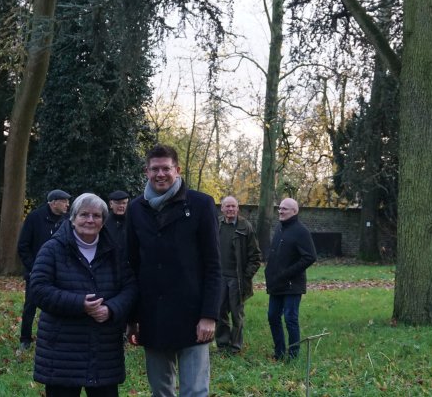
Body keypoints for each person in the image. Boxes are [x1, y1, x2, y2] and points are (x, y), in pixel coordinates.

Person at [125, 144, 221, 397]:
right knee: (160, 390)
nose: (160, 174)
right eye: (154, 169)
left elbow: (213, 265)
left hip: (193, 315)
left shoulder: (201, 204)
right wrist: (132, 318)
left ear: (177, 170)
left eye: (166, 168)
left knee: (195, 391)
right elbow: (132, 265)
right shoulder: (136, 209)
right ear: (146, 171)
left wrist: (209, 315)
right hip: (152, 316)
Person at [30, 193, 138, 397]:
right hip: (62, 351)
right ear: (73, 218)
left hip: (104, 351)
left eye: (96, 216)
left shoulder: (114, 251)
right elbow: (38, 289)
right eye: (84, 214)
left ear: (103, 221)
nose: (90, 220)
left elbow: (130, 288)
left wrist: (111, 309)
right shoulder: (52, 249)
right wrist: (79, 303)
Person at [17, 189, 70, 350]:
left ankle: (58, 338)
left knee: (60, 305)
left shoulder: (68, 220)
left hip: (60, 273)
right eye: (64, 201)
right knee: (30, 306)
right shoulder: (34, 217)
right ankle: (25, 339)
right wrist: (35, 268)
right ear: (53, 202)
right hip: (36, 273)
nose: (68, 204)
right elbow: (23, 246)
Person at [264, 198, 316, 361]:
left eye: (285, 209)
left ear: (295, 211)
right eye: (279, 208)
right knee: (273, 317)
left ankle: (293, 356)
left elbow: (310, 257)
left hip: (293, 285)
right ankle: (279, 353)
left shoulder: (301, 231)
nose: (280, 211)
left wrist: (288, 273)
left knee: (290, 319)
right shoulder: (280, 228)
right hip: (276, 284)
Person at [215, 196, 261, 355]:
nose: (230, 209)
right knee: (219, 312)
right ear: (222, 208)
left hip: (237, 279)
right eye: (227, 206)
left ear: (238, 208)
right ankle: (222, 344)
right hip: (219, 278)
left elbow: (256, 256)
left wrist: (246, 276)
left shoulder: (245, 227)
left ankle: (235, 347)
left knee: (236, 314)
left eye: (233, 206)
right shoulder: (217, 225)